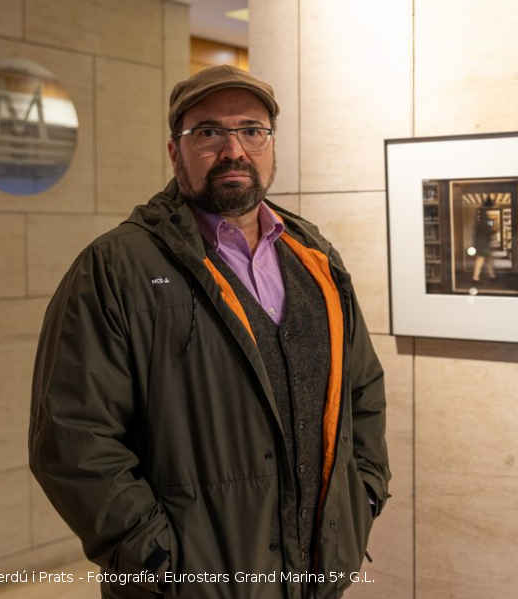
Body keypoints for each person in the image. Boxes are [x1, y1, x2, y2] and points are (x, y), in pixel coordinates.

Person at [29, 65, 390, 599]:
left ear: (271, 144)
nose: (233, 150)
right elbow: (72, 438)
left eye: (252, 130)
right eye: (208, 132)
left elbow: (362, 389)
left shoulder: (314, 257)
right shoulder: (116, 268)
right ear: (174, 152)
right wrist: (156, 560)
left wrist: (364, 495)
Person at [471, 197, 496, 282]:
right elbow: (487, 229)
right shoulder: (484, 216)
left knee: (485, 259)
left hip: (480, 241)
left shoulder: (479, 213)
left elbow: (477, 229)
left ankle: (490, 275)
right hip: (483, 242)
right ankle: (476, 277)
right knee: (482, 259)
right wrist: (492, 231)